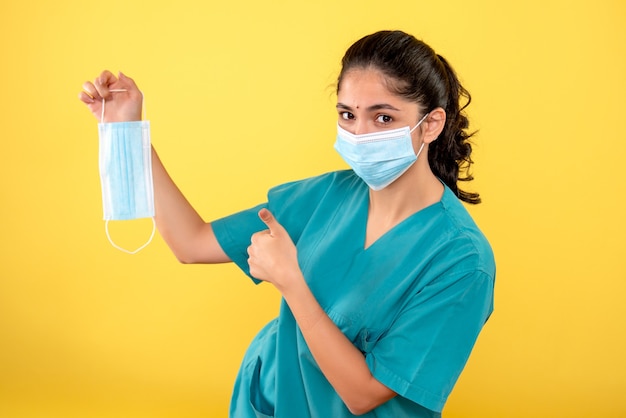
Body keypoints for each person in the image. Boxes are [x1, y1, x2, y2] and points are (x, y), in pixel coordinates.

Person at [79, 30, 495, 418]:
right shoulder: (326, 196)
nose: (359, 133)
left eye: (382, 118)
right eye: (348, 115)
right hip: (269, 399)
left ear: (432, 124)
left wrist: (292, 283)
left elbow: (364, 394)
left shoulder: (461, 259)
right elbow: (192, 242)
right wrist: (127, 129)